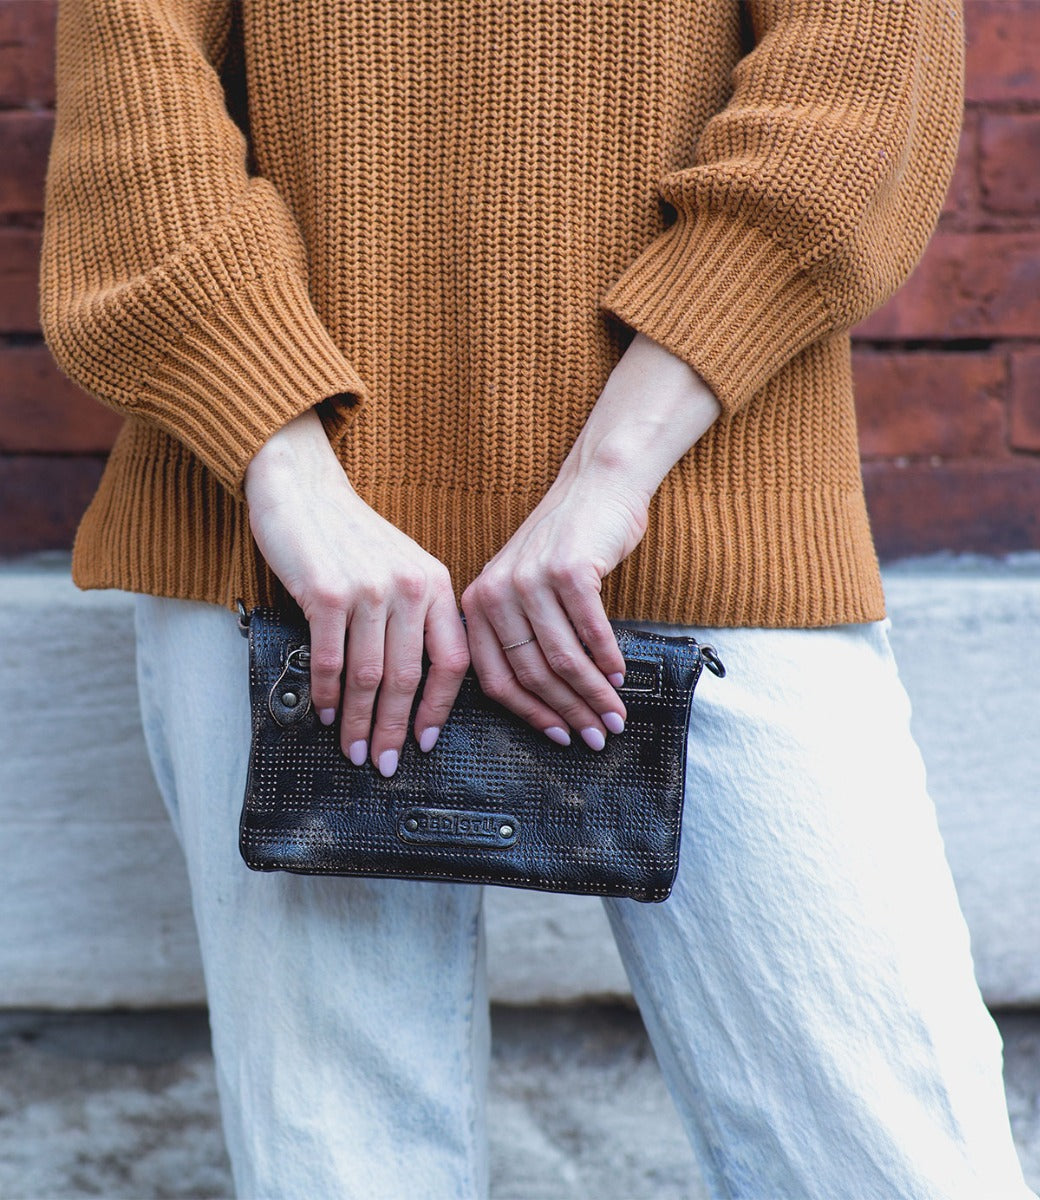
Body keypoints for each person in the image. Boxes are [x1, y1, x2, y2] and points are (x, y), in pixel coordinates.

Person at [39, 1, 1035, 1196]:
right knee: (343, 1166)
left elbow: (858, 85)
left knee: (892, 1157)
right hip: (285, 551)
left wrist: (609, 474)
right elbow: (136, 102)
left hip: (704, 519)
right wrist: (287, 469)